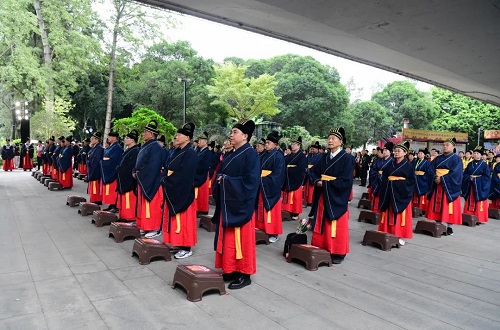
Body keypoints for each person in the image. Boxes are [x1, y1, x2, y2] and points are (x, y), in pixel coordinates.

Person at [213, 119, 260, 290]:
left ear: (245, 136)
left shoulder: (251, 154)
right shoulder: (232, 153)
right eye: (231, 132)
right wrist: (221, 181)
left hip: (241, 204)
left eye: (234, 132)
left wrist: (226, 181)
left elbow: (251, 182)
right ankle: (231, 269)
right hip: (228, 202)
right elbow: (220, 173)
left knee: (241, 240)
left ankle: (244, 273)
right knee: (229, 239)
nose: (231, 135)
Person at [309, 127, 354, 264]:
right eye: (329, 138)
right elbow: (313, 172)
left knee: (336, 224)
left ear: (340, 142)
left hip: (336, 195)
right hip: (323, 193)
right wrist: (317, 181)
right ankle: (321, 245)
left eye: (333, 138)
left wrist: (326, 184)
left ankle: (338, 251)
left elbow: (346, 180)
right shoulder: (323, 158)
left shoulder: (348, 159)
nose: (330, 140)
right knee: (321, 220)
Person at [162, 123, 198, 258]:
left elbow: (185, 175)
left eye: (179, 135)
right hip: (173, 185)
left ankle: (186, 247)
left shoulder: (190, 153)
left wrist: (168, 180)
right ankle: (178, 243)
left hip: (183, 190)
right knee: (176, 220)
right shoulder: (176, 151)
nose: (176, 137)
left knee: (184, 220)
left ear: (187, 138)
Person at [378, 141, 416, 246]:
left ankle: (401, 235)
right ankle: (387, 231)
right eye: (395, 151)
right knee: (388, 211)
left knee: (400, 214)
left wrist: (399, 185)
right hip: (389, 190)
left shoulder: (408, 165)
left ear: (405, 153)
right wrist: (388, 184)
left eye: (399, 151)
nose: (396, 153)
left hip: (401, 193)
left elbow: (411, 181)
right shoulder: (390, 163)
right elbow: (385, 176)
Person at [133, 120, 166, 237]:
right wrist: (134, 171)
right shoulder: (146, 145)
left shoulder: (155, 147)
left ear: (151, 134)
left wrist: (139, 174)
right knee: (144, 205)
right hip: (143, 178)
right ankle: (146, 226)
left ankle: (155, 228)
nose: (143, 134)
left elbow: (153, 165)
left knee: (152, 205)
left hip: (151, 180)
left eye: (145, 132)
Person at [425, 138, 463, 235]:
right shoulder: (438, 158)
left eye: (447, 145)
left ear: (453, 147)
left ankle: (449, 227)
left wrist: (442, 179)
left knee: (448, 205)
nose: (445, 147)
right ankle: (438, 224)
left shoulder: (456, 159)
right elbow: (430, 170)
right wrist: (435, 177)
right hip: (437, 185)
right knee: (437, 205)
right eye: (444, 145)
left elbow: (456, 173)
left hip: (448, 186)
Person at [256, 131, 285, 242]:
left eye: (268, 143)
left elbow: (278, 174)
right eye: (266, 143)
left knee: (271, 210)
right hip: (261, 184)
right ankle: (260, 228)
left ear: (275, 145)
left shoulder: (279, 156)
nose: (266, 145)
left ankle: (273, 233)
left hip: (270, 186)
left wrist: (264, 179)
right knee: (259, 207)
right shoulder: (262, 155)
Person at [462, 146, 491, 223]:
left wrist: (476, 179)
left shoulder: (484, 165)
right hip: (470, 185)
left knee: (478, 199)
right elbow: (465, 174)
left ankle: (479, 218)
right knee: (470, 199)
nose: (475, 155)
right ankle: (467, 215)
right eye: (474, 153)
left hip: (479, 186)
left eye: (477, 153)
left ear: (481, 155)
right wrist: (469, 178)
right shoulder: (470, 164)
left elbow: (486, 177)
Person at [116, 130, 140, 222]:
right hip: (124, 177)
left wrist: (121, 168)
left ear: (133, 140)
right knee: (124, 198)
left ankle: (129, 217)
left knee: (129, 199)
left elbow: (132, 166)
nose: (125, 139)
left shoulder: (135, 151)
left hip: (129, 180)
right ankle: (123, 215)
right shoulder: (129, 150)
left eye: (128, 138)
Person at [281, 136, 307, 220]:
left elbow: (301, 168)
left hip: (296, 178)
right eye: (292, 144)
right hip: (288, 177)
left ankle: (295, 213)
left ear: (299, 146)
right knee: (287, 196)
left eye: (295, 144)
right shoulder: (289, 156)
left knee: (295, 197)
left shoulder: (302, 156)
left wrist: (289, 169)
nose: (292, 146)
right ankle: (286, 211)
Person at [101, 132, 122, 212]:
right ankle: (111, 204)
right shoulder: (111, 147)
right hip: (107, 168)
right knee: (110, 190)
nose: (108, 138)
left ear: (115, 138)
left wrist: (106, 162)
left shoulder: (117, 148)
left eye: (110, 136)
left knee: (113, 189)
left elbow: (115, 160)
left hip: (113, 170)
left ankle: (115, 205)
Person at [369, 142, 394, 213]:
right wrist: (377, 175)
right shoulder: (378, 160)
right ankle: (375, 211)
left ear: (390, 152)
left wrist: (383, 176)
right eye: (384, 151)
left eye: (386, 151)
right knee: (376, 196)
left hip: (386, 181)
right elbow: (373, 170)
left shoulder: (392, 161)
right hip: (377, 180)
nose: (384, 152)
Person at [194, 131, 211, 215]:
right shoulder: (200, 151)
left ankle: (202, 210)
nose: (199, 142)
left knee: (202, 195)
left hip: (202, 175)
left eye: (201, 140)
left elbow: (205, 165)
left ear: (205, 142)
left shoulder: (207, 152)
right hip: (197, 174)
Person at [87, 132, 104, 204]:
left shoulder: (99, 148)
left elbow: (96, 160)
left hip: (95, 169)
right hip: (92, 168)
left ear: (97, 140)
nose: (91, 140)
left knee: (95, 185)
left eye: (93, 138)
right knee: (93, 185)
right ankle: (93, 199)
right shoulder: (94, 148)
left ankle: (96, 200)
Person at [304, 141, 321, 205]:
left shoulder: (320, 156)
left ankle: (312, 201)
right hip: (308, 171)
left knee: (312, 188)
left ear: (317, 149)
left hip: (314, 172)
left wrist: (311, 169)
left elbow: (318, 165)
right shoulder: (309, 155)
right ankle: (306, 201)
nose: (312, 150)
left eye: (313, 149)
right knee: (307, 187)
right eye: (311, 149)